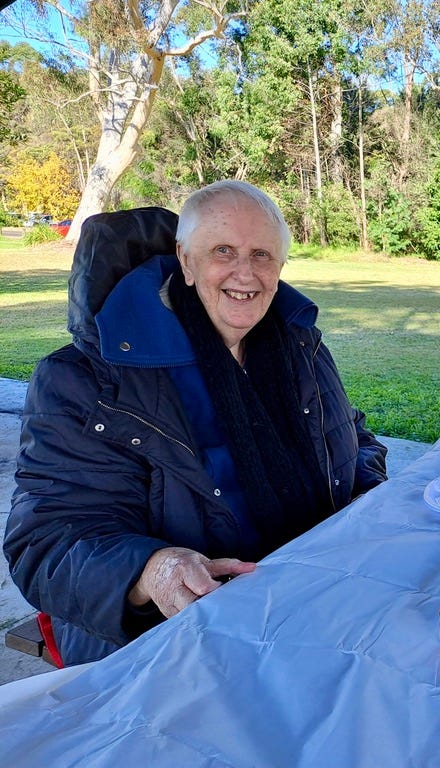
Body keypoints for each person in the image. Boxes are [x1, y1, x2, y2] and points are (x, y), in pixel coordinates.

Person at [4, 181, 388, 665]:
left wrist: (370, 500)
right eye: (222, 251)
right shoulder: (86, 378)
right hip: (162, 640)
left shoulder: (299, 346)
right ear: (185, 260)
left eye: (262, 255)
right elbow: (44, 541)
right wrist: (149, 570)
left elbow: (351, 438)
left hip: (303, 599)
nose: (245, 273)